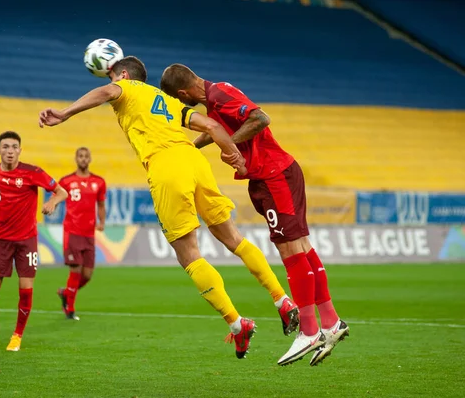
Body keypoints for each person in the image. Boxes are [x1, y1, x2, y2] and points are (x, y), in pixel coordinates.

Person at [38, 56, 298, 359]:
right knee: (233, 238)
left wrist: (66, 113)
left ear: (123, 75)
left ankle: (238, 325)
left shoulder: (126, 88)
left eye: (111, 76)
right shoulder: (166, 101)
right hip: (194, 161)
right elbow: (212, 125)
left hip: (165, 166)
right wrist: (235, 156)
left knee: (189, 255)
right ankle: (282, 300)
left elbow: (108, 93)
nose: (109, 82)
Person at [160, 64, 349, 366]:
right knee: (302, 247)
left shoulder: (219, 95)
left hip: (275, 175)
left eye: (180, 100)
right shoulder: (215, 97)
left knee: (291, 251)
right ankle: (331, 322)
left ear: (182, 93)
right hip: (272, 176)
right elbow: (223, 128)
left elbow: (260, 118)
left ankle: (310, 331)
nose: (184, 105)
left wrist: (229, 145)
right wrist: (194, 147)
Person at [0, 131, 68, 352]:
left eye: (14, 147)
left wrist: (52, 203)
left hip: (27, 241)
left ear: (20, 150)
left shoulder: (33, 172)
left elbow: (62, 192)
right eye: (5, 147)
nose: (10, 151)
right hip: (0, 240)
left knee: (25, 289)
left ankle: (17, 336)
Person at [56, 147, 106, 320]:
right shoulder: (67, 181)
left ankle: (65, 293)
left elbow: (100, 204)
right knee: (75, 271)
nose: (83, 159)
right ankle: (69, 309)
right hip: (72, 231)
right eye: (80, 156)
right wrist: (52, 205)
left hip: (89, 234)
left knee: (87, 275)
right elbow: (55, 196)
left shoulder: (99, 182)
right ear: (76, 159)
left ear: (90, 159)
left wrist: (102, 222)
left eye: (86, 156)